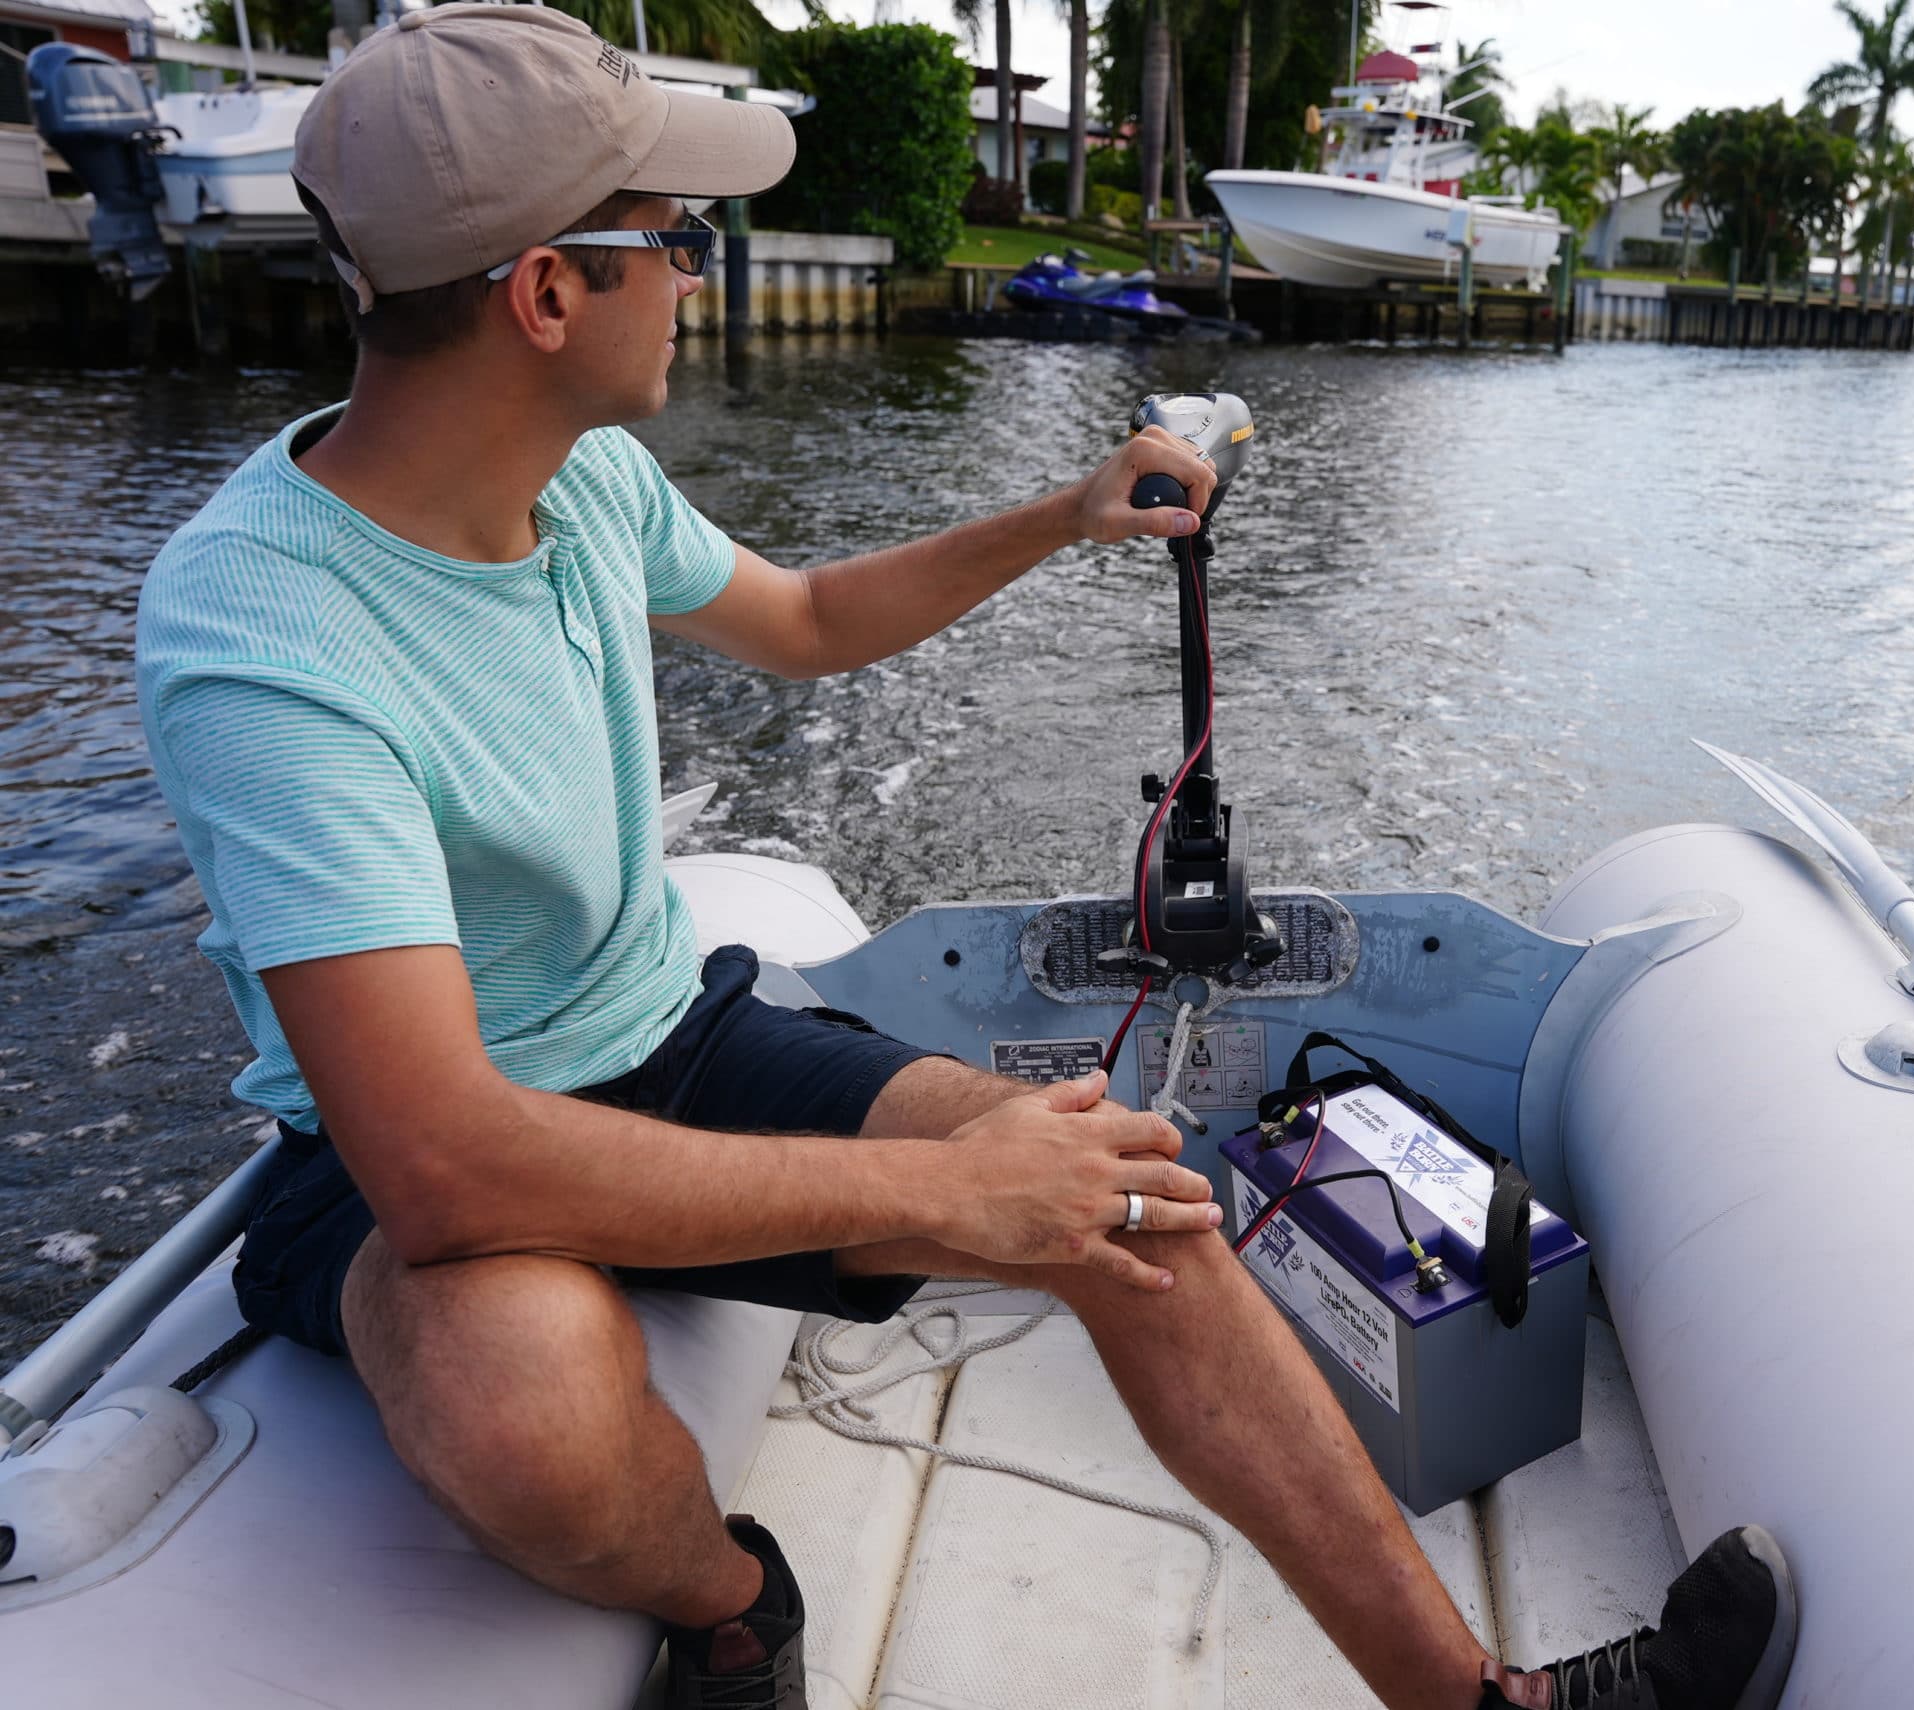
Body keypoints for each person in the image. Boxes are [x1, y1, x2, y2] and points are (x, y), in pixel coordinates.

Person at [133, 9, 1798, 1708]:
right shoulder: (264, 637)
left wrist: (1066, 510)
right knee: (527, 1409)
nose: (703, 271)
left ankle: (1475, 1705)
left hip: (665, 1040)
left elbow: (803, 618)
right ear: (549, 294)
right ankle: (731, 1603)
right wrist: (949, 1192)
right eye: (679, 239)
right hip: (397, 1151)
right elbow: (446, 1165)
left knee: (1140, 1201)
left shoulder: (592, 485)